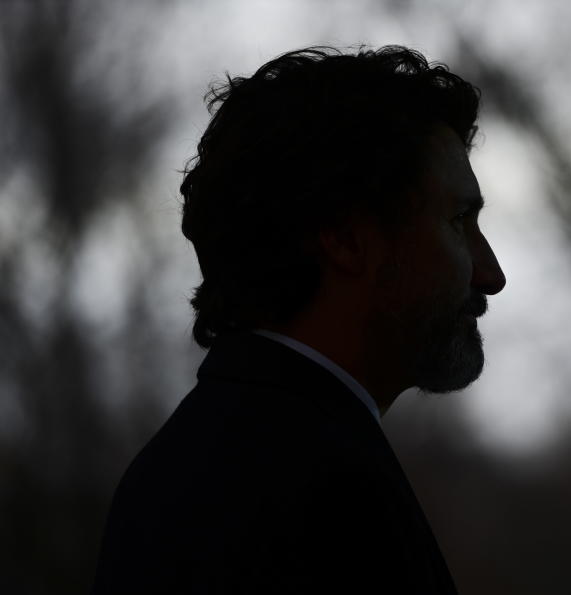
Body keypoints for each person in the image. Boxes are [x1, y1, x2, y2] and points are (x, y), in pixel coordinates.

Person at [91, 45, 506, 594]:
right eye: (458, 221)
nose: (490, 273)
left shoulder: (194, 463)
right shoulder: (318, 492)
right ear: (344, 239)